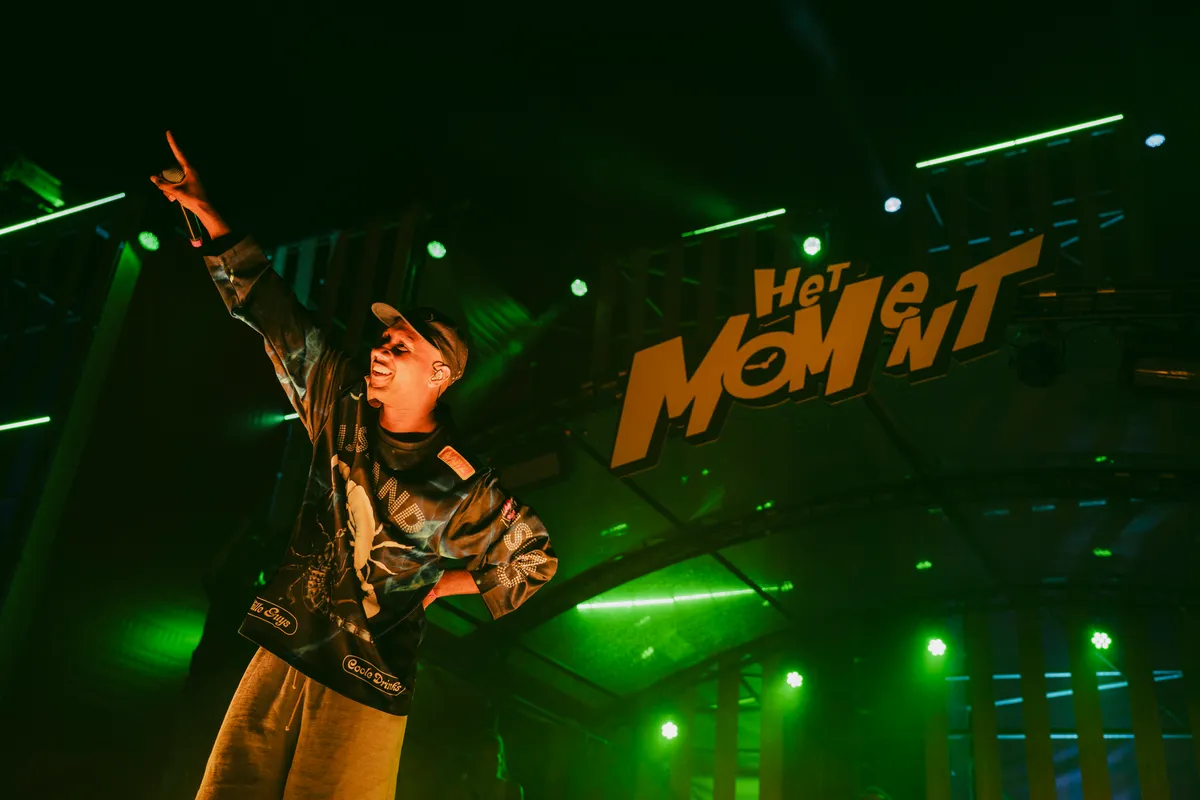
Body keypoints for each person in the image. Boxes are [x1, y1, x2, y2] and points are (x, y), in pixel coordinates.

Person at [150, 131, 558, 799]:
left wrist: (440, 586)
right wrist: (208, 214)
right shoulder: (341, 404)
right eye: (383, 339)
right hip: (286, 641)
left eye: (400, 347)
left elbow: (534, 561)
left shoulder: (461, 483)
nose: (379, 350)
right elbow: (273, 312)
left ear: (439, 374)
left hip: (369, 677)